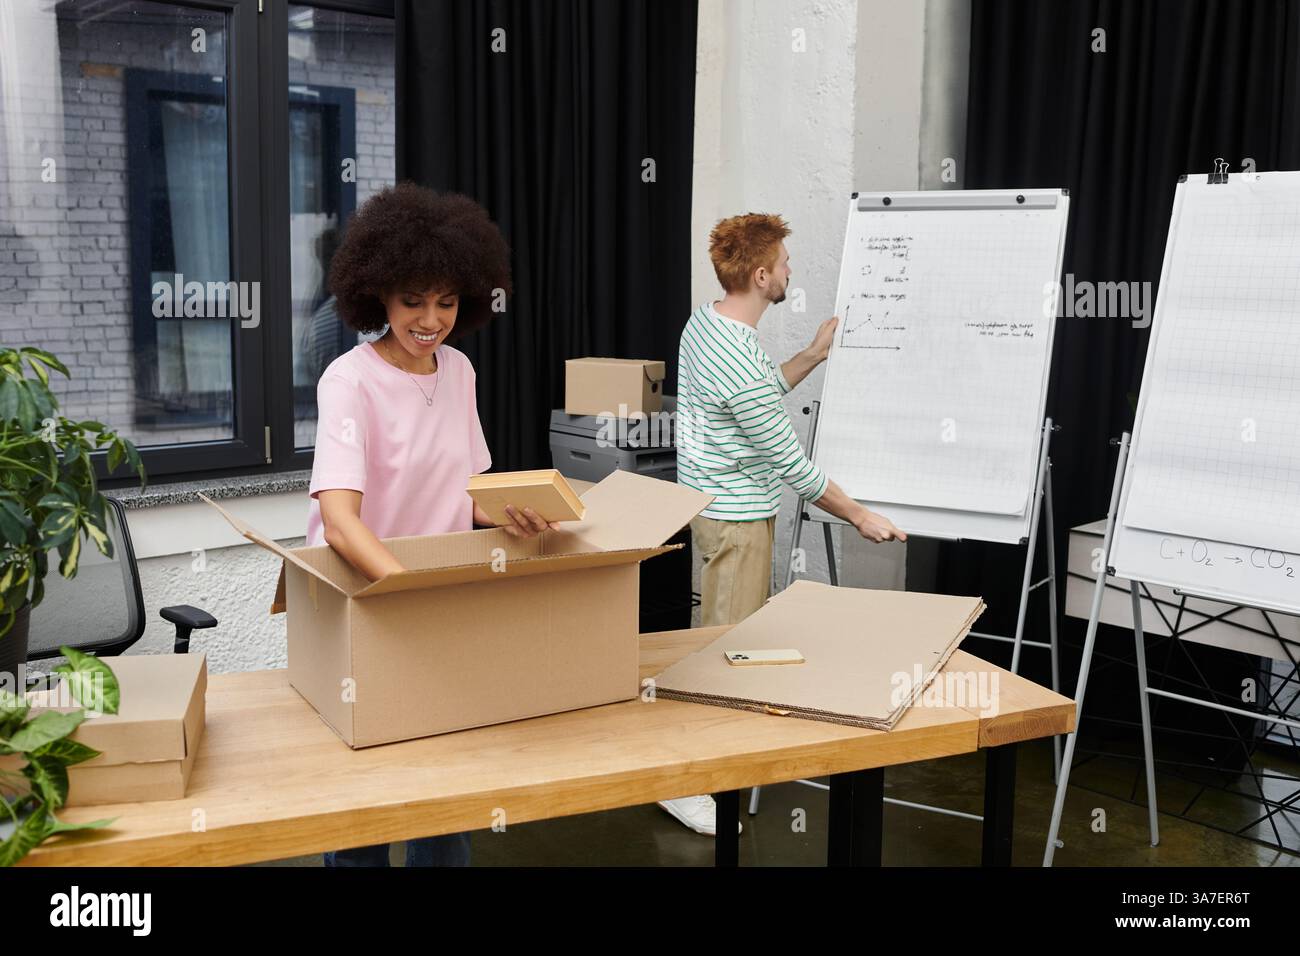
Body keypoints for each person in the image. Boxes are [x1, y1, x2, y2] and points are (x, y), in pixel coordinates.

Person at [308, 182, 554, 866]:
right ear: (377, 294)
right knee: (366, 803)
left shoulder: (461, 371)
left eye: (446, 301)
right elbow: (338, 523)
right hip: (365, 602)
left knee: (447, 794)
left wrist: (518, 515)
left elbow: (470, 491)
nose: (430, 318)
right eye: (413, 299)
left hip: (436, 599)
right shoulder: (348, 382)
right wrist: (404, 591)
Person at [661, 212, 906, 836]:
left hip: (716, 513)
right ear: (762, 273)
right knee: (720, 657)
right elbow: (789, 462)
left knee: (711, 645)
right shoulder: (735, 353)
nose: (792, 273)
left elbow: (756, 396)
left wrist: (812, 356)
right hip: (735, 522)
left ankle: (697, 768)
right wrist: (858, 516)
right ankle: (688, 786)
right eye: (785, 264)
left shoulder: (706, 326)